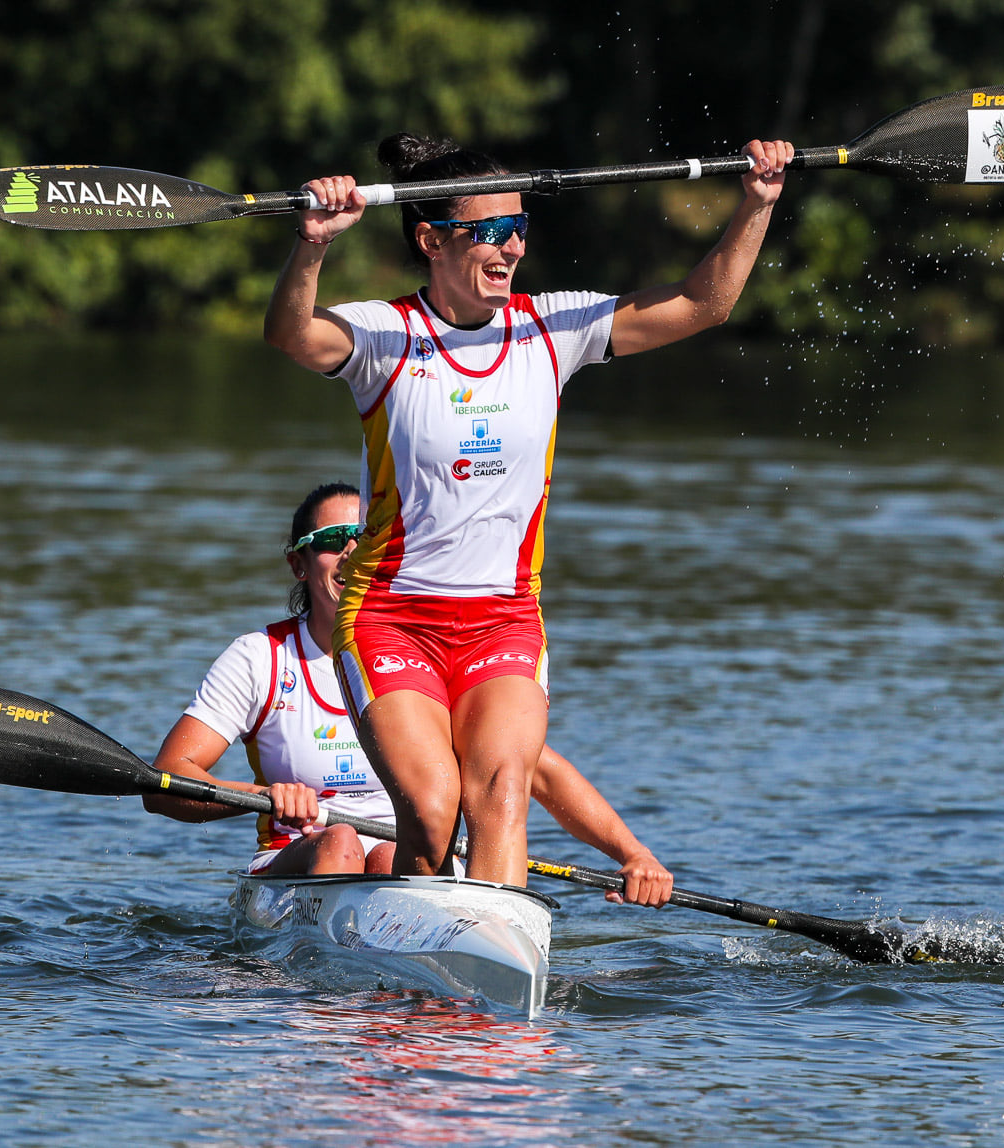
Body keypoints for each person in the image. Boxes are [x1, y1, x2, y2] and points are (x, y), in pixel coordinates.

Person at [263, 131, 793, 888]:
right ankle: (404, 937)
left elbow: (703, 305)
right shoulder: (385, 334)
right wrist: (312, 245)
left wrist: (756, 203)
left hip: (503, 617)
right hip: (391, 614)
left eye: (520, 228)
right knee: (434, 803)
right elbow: (288, 335)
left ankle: (493, 981)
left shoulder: (553, 329)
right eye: (489, 231)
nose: (511, 247)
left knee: (502, 795)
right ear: (431, 239)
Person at [143, 481, 674, 905]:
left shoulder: (430, 656)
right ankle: (334, 1005)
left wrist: (633, 854)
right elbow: (165, 783)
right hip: (296, 859)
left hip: (402, 859)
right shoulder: (259, 658)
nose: (352, 551)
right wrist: (263, 797)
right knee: (342, 843)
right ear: (299, 564)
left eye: (368, 535)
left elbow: (531, 768)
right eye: (332, 541)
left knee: (386, 854)